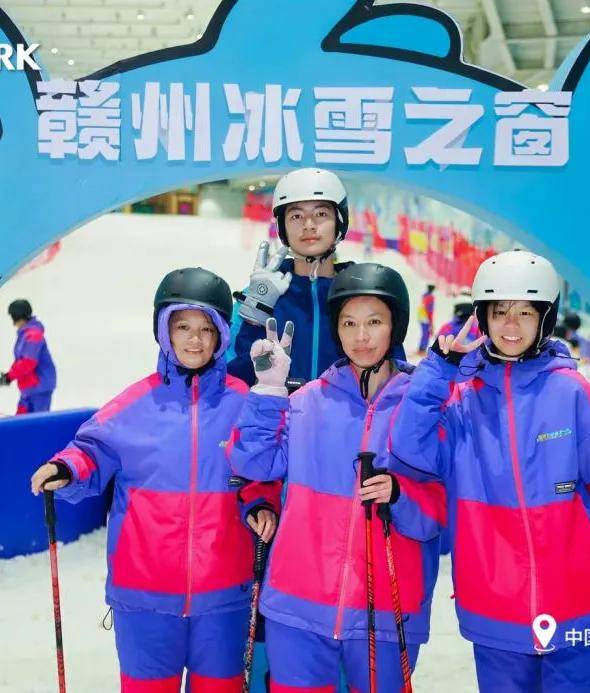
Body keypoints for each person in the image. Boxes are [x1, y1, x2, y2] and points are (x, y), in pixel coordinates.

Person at [391, 250, 590, 692]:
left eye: (525, 312)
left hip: (580, 602)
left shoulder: (572, 392)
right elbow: (410, 450)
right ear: (482, 318)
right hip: (496, 609)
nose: (511, 325)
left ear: (545, 318)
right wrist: (439, 371)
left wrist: (574, 534)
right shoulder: (461, 399)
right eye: (499, 312)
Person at [30, 267, 281, 692]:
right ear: (164, 331)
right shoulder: (136, 402)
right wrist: (66, 468)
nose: (195, 340)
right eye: (183, 327)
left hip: (223, 594)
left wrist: (261, 502)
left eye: (206, 329)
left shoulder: (244, 402)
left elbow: (261, 470)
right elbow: (92, 450)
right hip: (144, 594)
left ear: (222, 335)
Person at [232, 263, 446, 691]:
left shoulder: (423, 407)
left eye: (374, 322)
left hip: (384, 611)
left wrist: (400, 495)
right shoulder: (307, 401)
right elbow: (253, 464)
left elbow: (436, 515)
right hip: (298, 607)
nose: (361, 336)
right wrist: (270, 391)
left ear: (396, 325)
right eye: (349, 323)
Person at [227, 167, 352, 387]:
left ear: (339, 221)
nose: (309, 225)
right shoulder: (261, 294)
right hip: (275, 409)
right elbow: (234, 380)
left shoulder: (359, 292)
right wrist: (252, 320)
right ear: (282, 226)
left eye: (321, 214)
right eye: (296, 216)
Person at [1, 299, 56, 414]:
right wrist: (8, 375)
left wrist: (9, 376)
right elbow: (20, 360)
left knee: (36, 422)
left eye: (14, 318)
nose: (13, 323)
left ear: (18, 317)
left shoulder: (33, 335)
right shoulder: (25, 334)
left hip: (39, 388)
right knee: (21, 421)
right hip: (29, 388)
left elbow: (28, 362)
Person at [416, 284, 436, 355]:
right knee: (426, 334)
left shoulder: (424, 295)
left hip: (420, 316)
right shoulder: (431, 297)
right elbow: (429, 310)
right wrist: (431, 322)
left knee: (424, 333)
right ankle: (422, 349)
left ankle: (421, 348)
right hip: (426, 318)